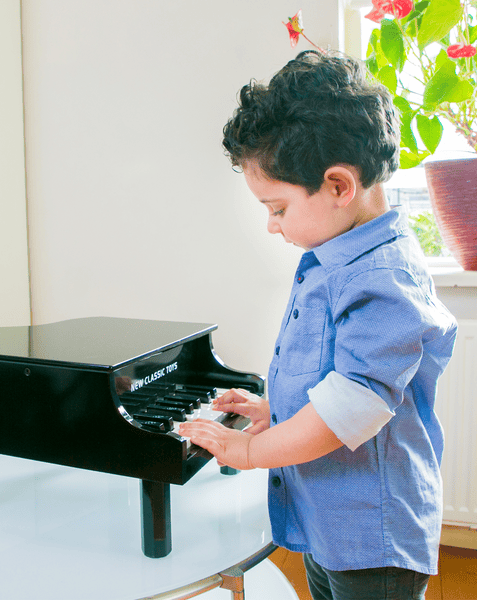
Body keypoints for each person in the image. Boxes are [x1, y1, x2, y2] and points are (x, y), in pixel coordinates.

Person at [179, 50, 457, 600]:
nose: (270, 226)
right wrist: (272, 412)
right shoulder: (339, 254)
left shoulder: (384, 279)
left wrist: (250, 453)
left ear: (338, 186)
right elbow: (333, 380)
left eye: (278, 208)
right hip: (332, 524)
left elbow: (349, 408)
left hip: (372, 536)